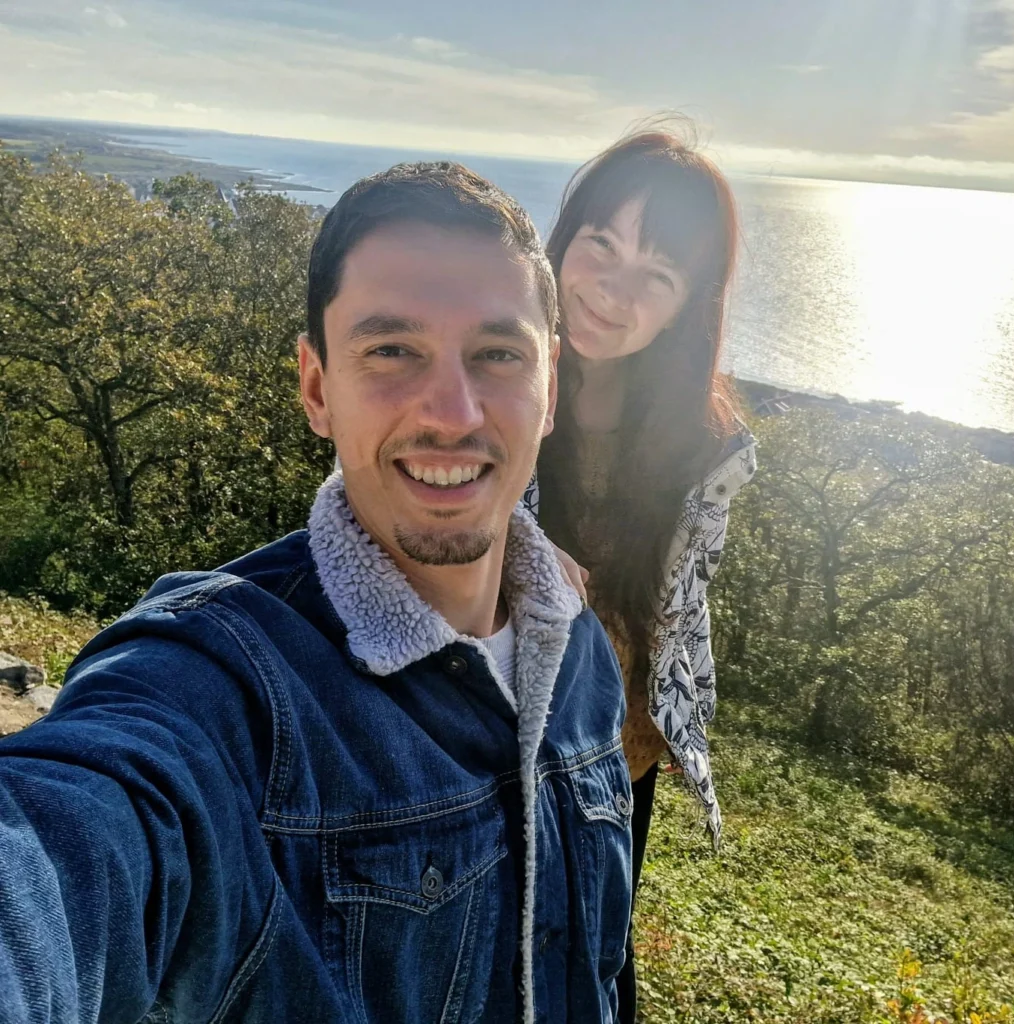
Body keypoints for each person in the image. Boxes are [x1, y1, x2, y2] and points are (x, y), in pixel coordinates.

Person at [0, 162, 633, 1023]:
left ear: (549, 385)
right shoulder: (226, 686)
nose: (452, 414)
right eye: (392, 350)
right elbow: (72, 841)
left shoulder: (580, 653)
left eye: (498, 354)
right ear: (315, 387)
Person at [526, 127, 757, 1021]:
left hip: (623, 744)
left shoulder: (698, 440)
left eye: (656, 275)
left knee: (601, 945)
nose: (613, 293)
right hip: (496, 729)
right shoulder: (488, 365)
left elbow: (682, 603)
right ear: (564, 236)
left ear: (689, 304)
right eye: (601, 244)